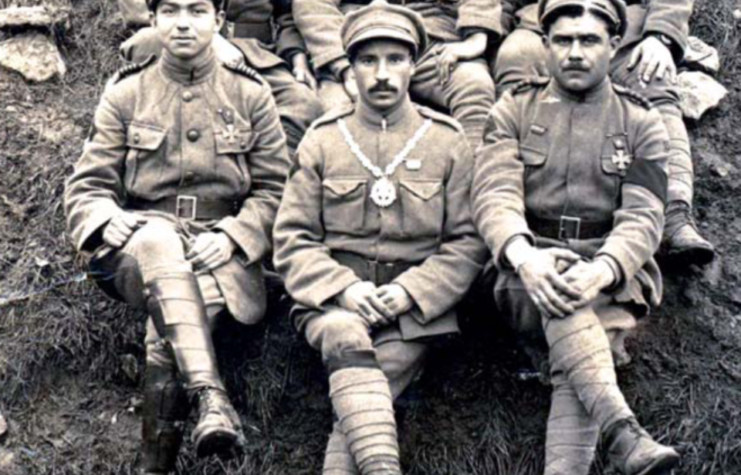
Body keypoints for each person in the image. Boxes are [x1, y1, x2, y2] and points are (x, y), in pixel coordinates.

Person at [64, 0, 291, 473]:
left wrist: (233, 235)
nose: (183, 23)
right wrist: (107, 217)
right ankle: (211, 397)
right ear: (153, 20)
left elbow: (277, 190)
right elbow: (88, 185)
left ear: (219, 21)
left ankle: (156, 466)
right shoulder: (128, 90)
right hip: (138, 248)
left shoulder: (250, 92)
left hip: (219, 251)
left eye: (197, 10)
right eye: (170, 10)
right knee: (158, 241)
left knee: (167, 328)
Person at [273, 1, 486, 473]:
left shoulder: (447, 141)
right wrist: (344, 289)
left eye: (395, 60)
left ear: (414, 65)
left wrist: (410, 292)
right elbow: (292, 238)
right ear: (350, 68)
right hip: (332, 303)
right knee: (346, 337)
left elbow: (467, 242)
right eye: (368, 61)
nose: (382, 75)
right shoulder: (323, 138)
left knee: (371, 382)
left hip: (412, 315)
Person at [473, 0, 681, 473]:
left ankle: (613, 440)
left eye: (588, 40)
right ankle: (623, 432)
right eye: (563, 40)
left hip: (609, 276)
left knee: (575, 339)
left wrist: (603, 270)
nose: (574, 52)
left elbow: (644, 216)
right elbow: (493, 195)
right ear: (545, 46)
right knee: (580, 324)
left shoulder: (643, 122)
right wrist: (524, 256)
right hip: (524, 275)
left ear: (613, 46)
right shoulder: (512, 110)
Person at [492, 0, 714, 265]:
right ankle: (512, 219)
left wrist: (661, 35)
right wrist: (486, 30)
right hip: (549, 26)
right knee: (516, 60)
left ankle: (674, 214)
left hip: (622, 27)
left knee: (652, 76)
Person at [118, 0, 323, 155]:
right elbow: (142, 11)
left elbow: (288, 13)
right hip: (172, 40)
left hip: (253, 51)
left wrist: (296, 55)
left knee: (301, 105)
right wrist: (210, 38)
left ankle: (271, 194)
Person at [293, 0, 501, 149]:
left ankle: (473, 186)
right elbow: (313, 6)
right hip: (355, 42)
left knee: (474, 84)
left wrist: (476, 35)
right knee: (336, 109)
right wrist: (344, 66)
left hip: (429, 35)